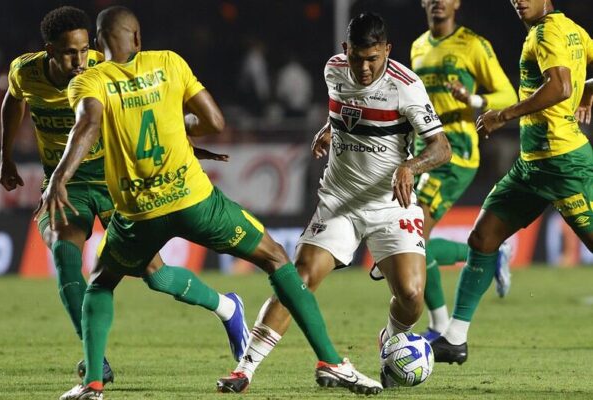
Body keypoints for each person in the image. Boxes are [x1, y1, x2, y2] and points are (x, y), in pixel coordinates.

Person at [35, 6, 382, 399]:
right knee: (276, 260)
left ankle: (93, 384)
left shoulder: (90, 81)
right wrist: (180, 127)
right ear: (138, 39)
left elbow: (89, 124)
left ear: (98, 45)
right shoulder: (168, 62)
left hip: (139, 214)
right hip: (195, 202)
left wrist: (59, 178)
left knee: (99, 285)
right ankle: (331, 362)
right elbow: (215, 121)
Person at [0, 6, 247, 385]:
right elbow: (13, 100)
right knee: (65, 254)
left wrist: (187, 147)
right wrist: (6, 157)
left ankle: (227, 307)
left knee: (155, 276)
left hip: (117, 184)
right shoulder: (25, 72)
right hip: (67, 185)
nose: (80, 60)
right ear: (49, 50)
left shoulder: (104, 69)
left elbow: (149, 113)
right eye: (69, 52)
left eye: (84, 50)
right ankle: (94, 359)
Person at [217, 12, 452, 392]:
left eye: (373, 59)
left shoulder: (406, 86)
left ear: (387, 51)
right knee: (299, 279)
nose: (364, 67)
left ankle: (390, 340)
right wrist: (329, 129)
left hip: (391, 203)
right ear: (345, 50)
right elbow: (345, 110)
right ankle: (244, 369)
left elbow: (442, 148)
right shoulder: (334, 70)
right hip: (339, 201)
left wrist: (411, 165)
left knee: (411, 296)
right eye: (357, 57)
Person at [432, 0, 593, 365]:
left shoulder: (547, 32)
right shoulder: (570, 28)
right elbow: (578, 77)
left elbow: (560, 87)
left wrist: (503, 114)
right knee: (483, 238)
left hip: (563, 164)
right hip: (532, 166)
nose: (518, 1)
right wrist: (591, 88)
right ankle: (455, 338)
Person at [376, 0, 519, 342]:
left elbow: (507, 93)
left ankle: (442, 321)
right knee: (412, 240)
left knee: (414, 239)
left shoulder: (473, 44)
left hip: (457, 153)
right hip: (426, 153)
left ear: (456, 3)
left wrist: (471, 100)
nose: (439, 2)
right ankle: (444, 318)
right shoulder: (419, 46)